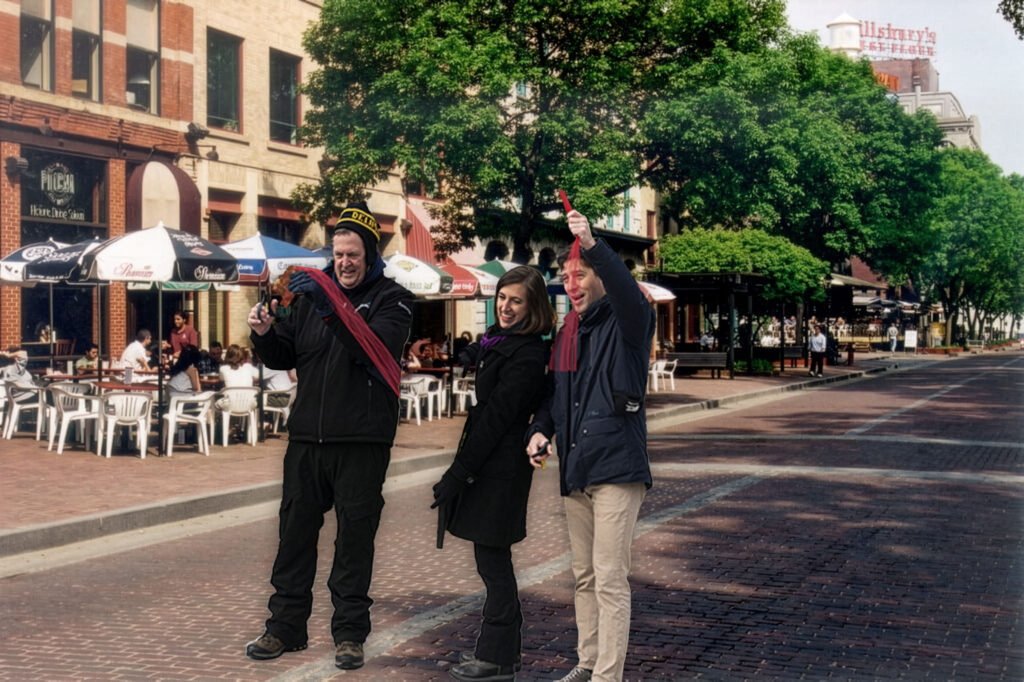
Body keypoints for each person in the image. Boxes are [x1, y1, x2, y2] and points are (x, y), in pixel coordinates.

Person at [244, 201, 414, 671]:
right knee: (294, 537)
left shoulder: (393, 299)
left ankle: (349, 634)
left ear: (370, 254)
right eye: (338, 254)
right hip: (307, 440)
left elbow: (369, 348)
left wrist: (329, 305)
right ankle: (284, 628)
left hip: (361, 441)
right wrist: (263, 334)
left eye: (353, 254)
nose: (344, 263)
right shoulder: (310, 298)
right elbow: (287, 355)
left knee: (354, 541)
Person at [526, 210, 655, 682]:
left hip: (618, 467)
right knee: (584, 575)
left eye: (579, 275)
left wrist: (593, 243)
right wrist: (540, 430)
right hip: (576, 467)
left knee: (608, 575)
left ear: (600, 277)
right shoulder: (568, 333)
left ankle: (607, 675)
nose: (572, 285)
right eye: (566, 278)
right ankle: (587, 662)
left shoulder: (630, 322)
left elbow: (627, 292)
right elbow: (554, 395)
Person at [433, 267, 555, 681]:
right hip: (492, 461)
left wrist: (459, 473)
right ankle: (501, 654)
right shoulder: (503, 342)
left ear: (532, 306)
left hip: (501, 466)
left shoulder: (527, 352)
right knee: (491, 559)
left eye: (515, 300)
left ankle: (498, 657)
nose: (505, 306)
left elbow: (498, 418)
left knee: (493, 559)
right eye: (502, 297)